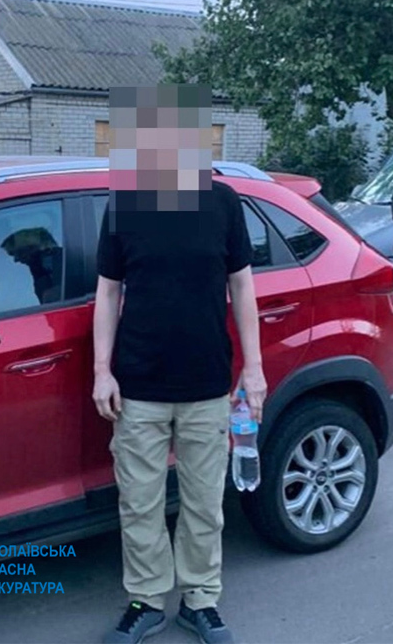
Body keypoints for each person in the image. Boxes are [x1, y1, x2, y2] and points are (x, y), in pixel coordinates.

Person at [94, 84, 266, 644]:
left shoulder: (222, 202)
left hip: (207, 385)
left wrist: (254, 368)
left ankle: (200, 600)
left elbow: (242, 286)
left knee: (204, 504)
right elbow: (108, 292)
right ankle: (146, 601)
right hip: (138, 386)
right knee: (139, 503)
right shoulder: (125, 204)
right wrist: (101, 370)